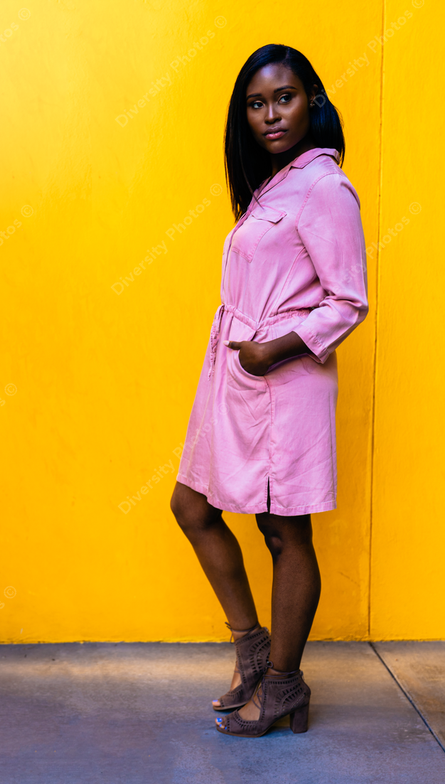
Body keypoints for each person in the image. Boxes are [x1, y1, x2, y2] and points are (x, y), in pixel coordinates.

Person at [170, 44, 369, 739]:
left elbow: (348, 301)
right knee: (191, 506)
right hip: (236, 374)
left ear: (310, 100)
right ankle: (255, 651)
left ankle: (282, 685)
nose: (269, 114)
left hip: (285, 378)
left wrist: (270, 351)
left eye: (282, 97)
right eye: (255, 104)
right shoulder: (273, 187)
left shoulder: (323, 187)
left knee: (285, 533)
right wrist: (241, 358)